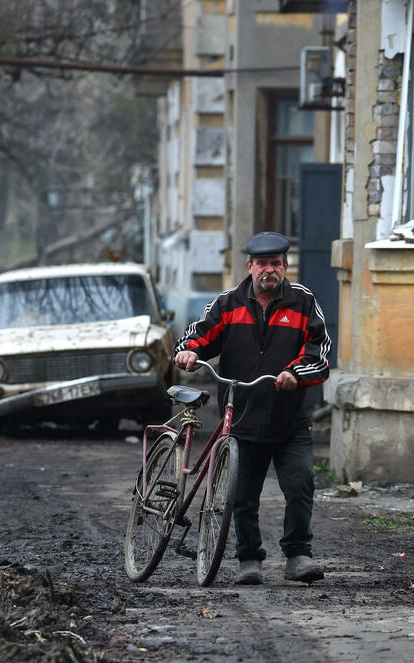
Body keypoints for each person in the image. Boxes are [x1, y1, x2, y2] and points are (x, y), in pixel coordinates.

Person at [174, 231, 331, 585]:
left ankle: (298, 555)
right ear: (250, 266)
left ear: (285, 266)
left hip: (290, 420)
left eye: (276, 263)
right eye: (262, 264)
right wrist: (189, 351)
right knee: (241, 495)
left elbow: (319, 354)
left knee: (300, 484)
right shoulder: (228, 304)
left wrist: (295, 371)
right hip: (242, 419)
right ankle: (248, 559)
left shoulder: (303, 302)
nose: (269, 270)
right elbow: (198, 335)